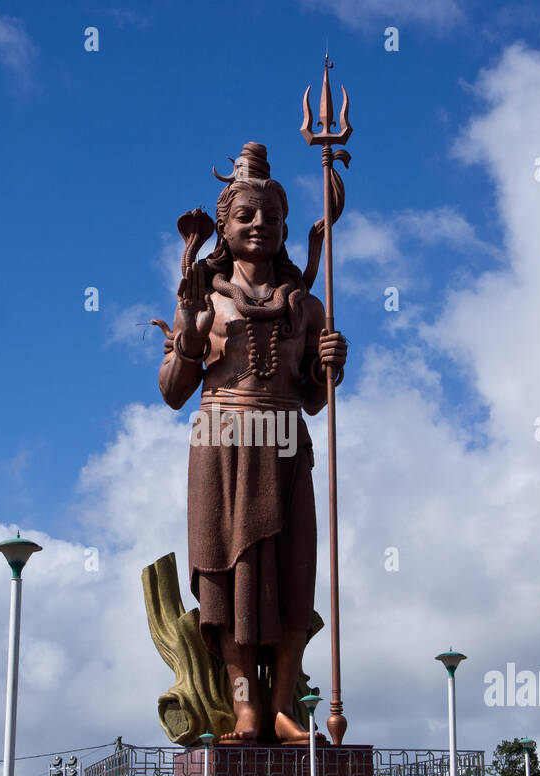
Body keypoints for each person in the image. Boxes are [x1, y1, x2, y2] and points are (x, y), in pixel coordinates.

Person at [158, 142, 346, 743]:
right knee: (228, 580)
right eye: (246, 216)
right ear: (224, 226)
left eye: (271, 217)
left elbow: (315, 398)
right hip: (222, 440)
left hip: (286, 441)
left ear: (287, 227)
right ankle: (245, 709)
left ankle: (284, 706)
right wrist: (187, 335)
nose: (260, 225)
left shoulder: (307, 306)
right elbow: (171, 391)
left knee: (293, 578)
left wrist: (329, 365)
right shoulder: (204, 298)